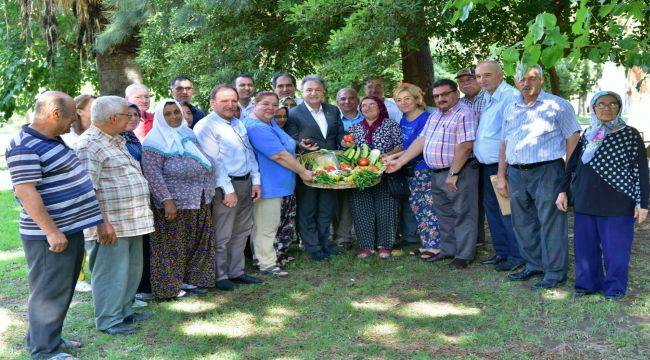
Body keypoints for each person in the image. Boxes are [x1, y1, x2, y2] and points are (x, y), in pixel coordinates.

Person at [6, 91, 104, 360]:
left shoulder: (51, 139)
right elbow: (27, 192)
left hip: (69, 228)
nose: (73, 122)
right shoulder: (25, 145)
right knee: (48, 292)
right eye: (71, 116)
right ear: (55, 114)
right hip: (49, 235)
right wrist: (51, 231)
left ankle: (44, 337)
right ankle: (44, 351)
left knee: (61, 289)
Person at [556, 91, 649, 300]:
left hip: (618, 201)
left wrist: (642, 203)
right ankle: (587, 284)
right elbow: (572, 165)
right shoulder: (588, 133)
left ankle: (614, 288)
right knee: (585, 246)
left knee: (616, 249)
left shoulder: (630, 134)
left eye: (612, 104)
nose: (607, 108)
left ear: (619, 107)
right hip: (585, 199)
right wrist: (563, 190)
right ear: (593, 108)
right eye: (601, 104)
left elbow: (641, 170)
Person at [496, 64, 581, 290]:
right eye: (521, 79)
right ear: (515, 82)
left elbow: (573, 139)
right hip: (516, 172)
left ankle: (554, 273)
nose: (526, 83)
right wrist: (501, 174)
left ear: (541, 80)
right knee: (522, 222)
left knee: (551, 223)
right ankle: (533, 265)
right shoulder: (511, 107)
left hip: (548, 170)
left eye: (532, 78)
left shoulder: (558, 105)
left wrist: (568, 175)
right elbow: (504, 142)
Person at [76, 96, 155, 335]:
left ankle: (124, 311)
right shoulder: (89, 144)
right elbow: (89, 188)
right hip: (110, 224)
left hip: (131, 220)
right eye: (126, 115)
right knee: (111, 272)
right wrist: (102, 223)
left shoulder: (116, 140)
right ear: (112, 118)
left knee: (130, 270)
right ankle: (109, 319)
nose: (131, 118)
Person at [386, 79, 479, 269]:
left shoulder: (465, 113)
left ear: (455, 93)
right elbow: (421, 140)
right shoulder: (436, 115)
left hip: (457, 172)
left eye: (444, 94)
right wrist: (400, 161)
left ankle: (464, 255)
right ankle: (448, 250)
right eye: (436, 96)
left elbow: (466, 145)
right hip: (436, 172)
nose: (440, 99)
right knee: (443, 215)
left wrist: (453, 173)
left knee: (463, 214)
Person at [142, 100, 216, 299]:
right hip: (173, 203)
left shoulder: (188, 134)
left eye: (176, 112)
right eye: (168, 114)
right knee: (171, 246)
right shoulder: (153, 141)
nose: (174, 116)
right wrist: (167, 200)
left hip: (198, 198)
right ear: (160, 117)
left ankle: (191, 281)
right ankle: (168, 288)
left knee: (196, 243)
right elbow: (152, 174)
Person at [194, 84, 263, 291]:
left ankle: (237, 272)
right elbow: (213, 162)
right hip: (225, 187)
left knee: (242, 231)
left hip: (245, 182)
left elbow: (248, 153)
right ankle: (220, 275)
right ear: (213, 103)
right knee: (223, 233)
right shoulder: (206, 126)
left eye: (233, 100)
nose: (230, 105)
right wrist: (228, 189)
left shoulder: (238, 123)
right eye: (224, 101)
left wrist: (256, 180)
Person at [246, 91, 314, 276]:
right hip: (269, 185)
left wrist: (301, 145)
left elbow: (286, 143)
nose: (271, 108)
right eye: (265, 104)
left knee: (273, 225)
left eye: (274, 105)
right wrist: (303, 172)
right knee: (265, 227)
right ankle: (266, 264)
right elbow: (279, 155)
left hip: (281, 183)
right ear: (254, 103)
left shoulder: (269, 122)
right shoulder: (256, 127)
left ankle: (270, 258)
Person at [285, 75, 345, 261]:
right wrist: (300, 144)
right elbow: (290, 139)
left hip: (331, 168)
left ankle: (324, 243)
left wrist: (346, 142)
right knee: (308, 208)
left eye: (317, 89)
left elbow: (339, 135)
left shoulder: (333, 110)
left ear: (323, 92)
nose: (313, 93)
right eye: (309, 90)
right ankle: (312, 247)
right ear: (301, 93)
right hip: (307, 167)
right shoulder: (294, 113)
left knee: (327, 208)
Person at [473, 61, 524, 271]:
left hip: (501, 166)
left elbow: (508, 137)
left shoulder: (510, 97)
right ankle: (501, 253)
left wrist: (502, 172)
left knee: (507, 212)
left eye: (487, 75)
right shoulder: (485, 97)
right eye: (478, 76)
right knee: (493, 211)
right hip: (486, 166)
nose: (482, 80)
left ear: (501, 75)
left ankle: (516, 255)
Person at [343, 96, 403, 259]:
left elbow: (400, 146)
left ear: (380, 107)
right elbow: (348, 148)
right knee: (361, 208)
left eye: (372, 105)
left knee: (386, 208)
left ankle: (385, 245)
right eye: (364, 105)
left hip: (384, 172)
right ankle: (366, 246)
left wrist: (386, 155)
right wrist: (346, 144)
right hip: (361, 174)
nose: (367, 108)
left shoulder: (391, 125)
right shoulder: (355, 128)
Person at [392, 83, 440, 260]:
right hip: (409, 170)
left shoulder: (426, 118)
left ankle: (435, 246)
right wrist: (392, 157)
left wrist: (397, 159)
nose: (403, 103)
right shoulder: (404, 119)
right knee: (418, 207)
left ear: (416, 99)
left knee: (429, 207)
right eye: (399, 100)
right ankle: (427, 243)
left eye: (407, 99)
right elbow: (406, 146)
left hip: (424, 170)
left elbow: (419, 146)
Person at [122, 103, 151, 308]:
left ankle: (135, 293)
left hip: (139, 201)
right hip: (123, 205)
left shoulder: (133, 138)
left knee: (139, 251)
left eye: (136, 115)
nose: (133, 118)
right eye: (129, 115)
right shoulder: (118, 140)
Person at [457, 67, 487, 248]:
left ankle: (506, 241)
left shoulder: (489, 99)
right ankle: (477, 238)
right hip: (468, 159)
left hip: (490, 157)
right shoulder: (458, 104)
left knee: (494, 200)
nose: (465, 83)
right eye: (461, 81)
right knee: (471, 201)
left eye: (470, 79)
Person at [334, 87, 363, 249]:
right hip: (340, 166)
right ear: (337, 102)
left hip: (364, 165)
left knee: (357, 202)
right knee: (340, 202)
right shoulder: (333, 119)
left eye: (351, 98)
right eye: (343, 99)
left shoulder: (365, 118)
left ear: (357, 101)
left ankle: (361, 235)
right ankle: (342, 237)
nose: (347, 101)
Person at [273, 106, 298, 263]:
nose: (281, 119)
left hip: (288, 181)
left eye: (284, 116)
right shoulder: (266, 129)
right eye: (277, 116)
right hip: (274, 182)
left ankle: (283, 251)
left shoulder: (282, 130)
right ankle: (272, 255)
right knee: (274, 221)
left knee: (287, 219)